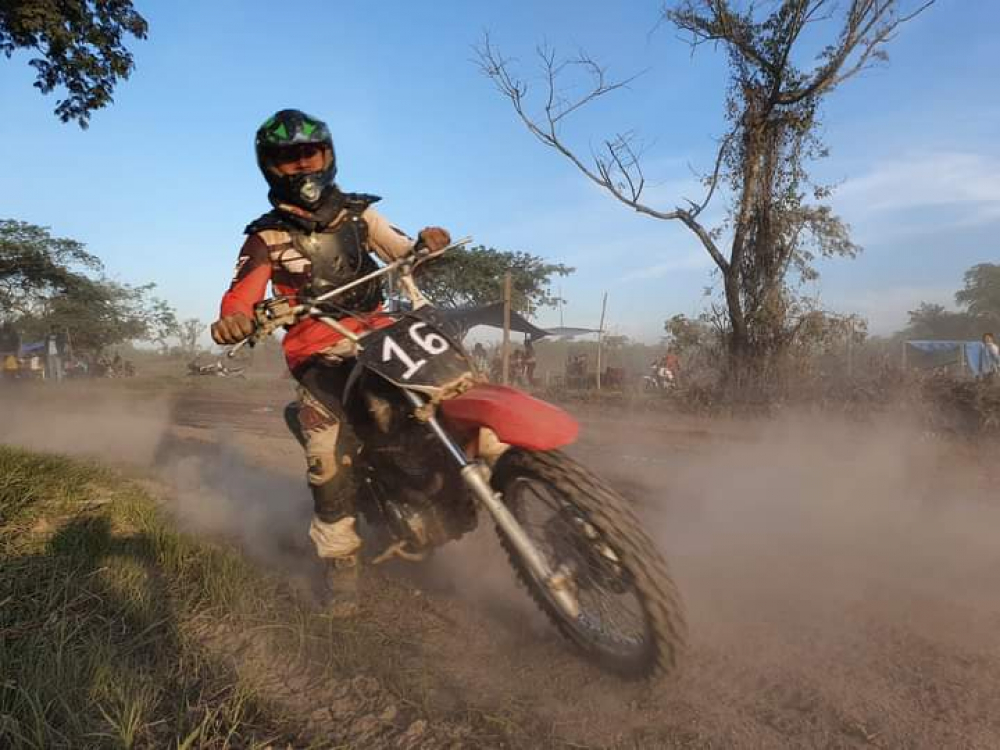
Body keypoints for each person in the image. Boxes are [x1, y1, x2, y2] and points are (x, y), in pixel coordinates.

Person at [210, 109, 450, 613]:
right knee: (326, 450)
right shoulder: (265, 236)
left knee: (451, 390)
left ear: (327, 156)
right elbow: (240, 295)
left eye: (308, 154)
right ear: (270, 167)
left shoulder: (361, 214)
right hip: (318, 349)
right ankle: (340, 562)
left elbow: (404, 250)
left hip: (383, 337)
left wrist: (428, 245)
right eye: (287, 159)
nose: (301, 167)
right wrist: (234, 319)